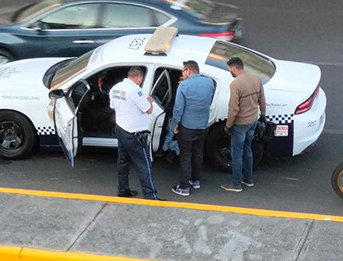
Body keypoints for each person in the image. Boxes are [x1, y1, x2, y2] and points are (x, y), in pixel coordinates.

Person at [109, 67, 162, 200]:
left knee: (123, 162)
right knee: (144, 165)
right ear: (138, 77)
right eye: (141, 79)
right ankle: (150, 195)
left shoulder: (115, 88)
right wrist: (149, 100)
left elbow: (112, 106)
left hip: (121, 130)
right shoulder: (135, 90)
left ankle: (123, 190)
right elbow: (148, 110)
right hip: (135, 134)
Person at [169, 60, 215, 197]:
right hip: (203, 125)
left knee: (185, 156)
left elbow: (178, 109)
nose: (182, 74)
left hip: (187, 127)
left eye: (183, 71)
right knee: (198, 153)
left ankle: (184, 187)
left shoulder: (183, 86)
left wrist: (175, 125)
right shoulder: (209, 82)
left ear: (188, 71)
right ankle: (196, 180)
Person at [221, 57, 266, 192]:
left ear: (234, 68)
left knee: (237, 154)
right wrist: (263, 115)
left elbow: (233, 109)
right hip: (253, 120)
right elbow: (262, 99)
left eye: (230, 70)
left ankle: (236, 184)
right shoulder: (256, 78)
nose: (230, 72)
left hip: (240, 123)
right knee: (248, 149)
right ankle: (248, 179)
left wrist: (228, 126)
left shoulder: (235, 85)